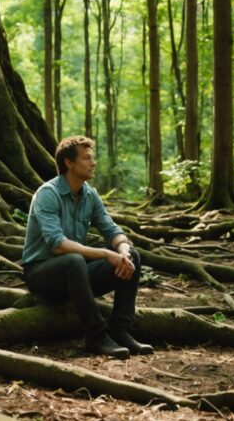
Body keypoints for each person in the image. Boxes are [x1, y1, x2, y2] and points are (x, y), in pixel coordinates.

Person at [22, 135, 152, 358]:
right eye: (87, 158)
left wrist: (122, 251)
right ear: (69, 163)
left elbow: (112, 230)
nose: (93, 163)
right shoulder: (48, 194)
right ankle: (96, 336)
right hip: (42, 274)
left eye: (93, 158)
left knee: (133, 256)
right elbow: (57, 245)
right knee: (74, 260)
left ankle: (120, 331)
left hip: (75, 275)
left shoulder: (89, 194)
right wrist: (105, 253)